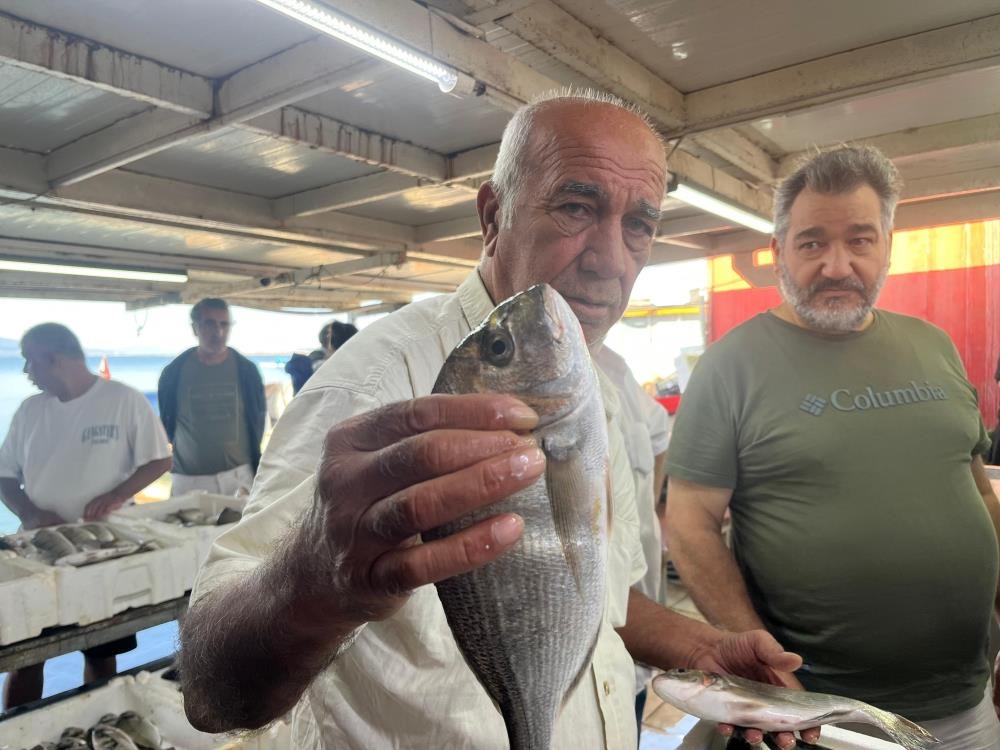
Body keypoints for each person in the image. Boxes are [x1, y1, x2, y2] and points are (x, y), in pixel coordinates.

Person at [178, 90, 813, 750]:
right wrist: (316, 581)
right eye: (576, 207)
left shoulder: (590, 378)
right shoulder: (379, 382)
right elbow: (210, 692)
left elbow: (586, 594)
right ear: (492, 215)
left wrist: (701, 646)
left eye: (639, 226)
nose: (611, 259)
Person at [664, 145, 1000, 747]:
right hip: (824, 718)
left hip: (967, 706)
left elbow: (976, 488)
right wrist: (759, 668)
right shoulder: (731, 366)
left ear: (888, 248)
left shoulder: (934, 345)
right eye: (813, 242)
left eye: (860, 241)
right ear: (778, 253)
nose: (837, 266)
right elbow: (689, 523)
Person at [0, 323, 172, 709]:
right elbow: (4, 474)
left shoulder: (123, 400)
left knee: (100, 650)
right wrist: (28, 510)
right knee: (26, 657)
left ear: (53, 359)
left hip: (107, 550)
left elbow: (160, 459)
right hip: (40, 554)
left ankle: (99, 720)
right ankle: (15, 731)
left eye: (30, 361)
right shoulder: (30, 410)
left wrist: (117, 494)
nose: (27, 371)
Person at [593, 344, 670, 732]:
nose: (609, 277)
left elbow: (658, 436)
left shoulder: (614, 366)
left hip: (635, 644)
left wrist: (650, 510)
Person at [158, 299, 266, 497]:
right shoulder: (174, 373)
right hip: (188, 480)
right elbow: (166, 421)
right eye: (209, 323)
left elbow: (257, 419)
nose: (218, 332)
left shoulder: (246, 371)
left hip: (238, 478)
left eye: (224, 324)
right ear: (195, 328)